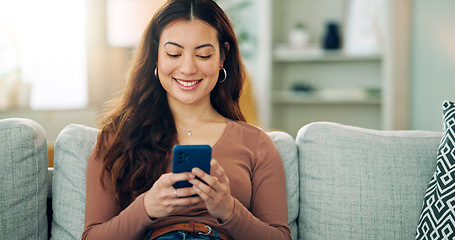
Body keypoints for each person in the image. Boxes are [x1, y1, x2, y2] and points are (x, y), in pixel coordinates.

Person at [82, 0, 291, 239]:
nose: (188, 68)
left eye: (203, 54)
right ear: (156, 57)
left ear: (222, 57)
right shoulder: (117, 138)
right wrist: (146, 207)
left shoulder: (256, 143)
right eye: (174, 53)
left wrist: (230, 211)